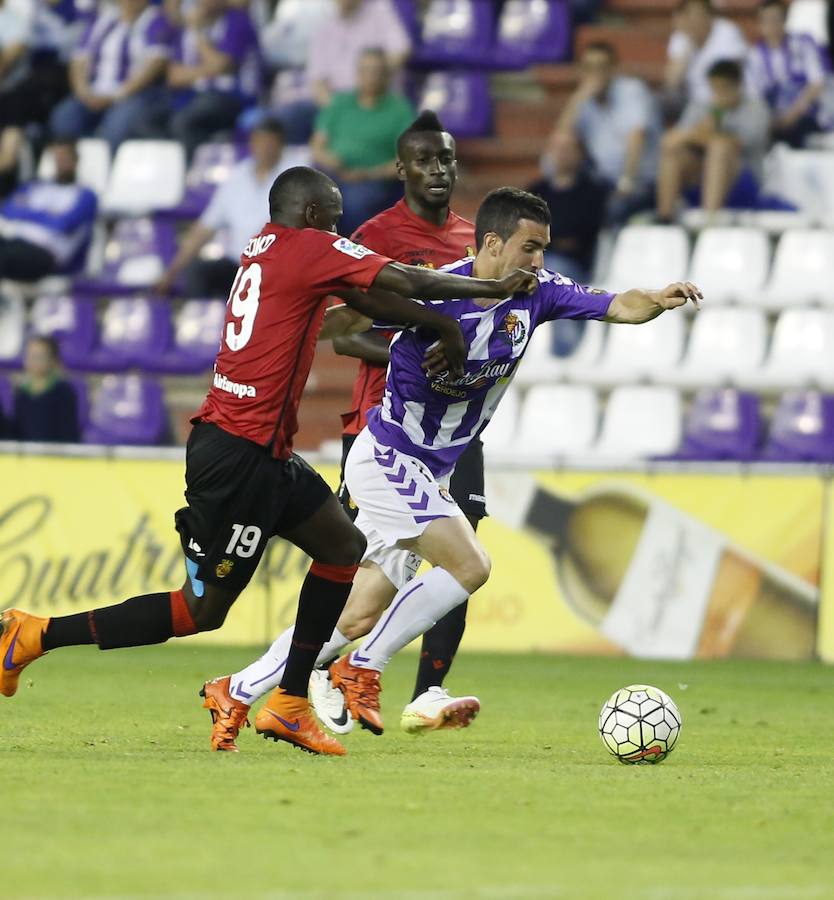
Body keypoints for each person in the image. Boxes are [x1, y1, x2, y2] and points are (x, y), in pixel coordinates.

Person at [0, 166, 539, 759]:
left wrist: (438, 323)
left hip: (268, 454)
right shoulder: (309, 247)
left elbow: (365, 297)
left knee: (342, 548)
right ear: (312, 216)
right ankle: (36, 634)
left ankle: (287, 701)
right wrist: (490, 291)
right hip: (234, 458)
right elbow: (400, 276)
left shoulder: (269, 248)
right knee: (197, 612)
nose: (342, 231)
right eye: (334, 219)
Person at [203, 187, 702, 746]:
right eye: (530, 248)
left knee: (353, 616)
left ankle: (237, 688)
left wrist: (658, 298)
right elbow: (345, 327)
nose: (539, 261)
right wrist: (402, 339)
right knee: (470, 566)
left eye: (544, 249)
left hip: (427, 471)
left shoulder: (540, 294)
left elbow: (616, 305)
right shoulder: (438, 296)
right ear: (492, 242)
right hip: (390, 458)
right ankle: (362, 669)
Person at [215, 110, 484, 741]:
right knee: (445, 564)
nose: (438, 170)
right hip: (385, 429)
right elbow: (341, 329)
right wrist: (420, 343)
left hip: (448, 435)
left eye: (447, 159)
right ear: (402, 168)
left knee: (370, 599)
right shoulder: (372, 235)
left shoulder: (475, 240)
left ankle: (252, 686)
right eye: (425, 160)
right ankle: (348, 675)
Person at [156, 119, 307, 297]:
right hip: (239, 263)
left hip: (277, 265)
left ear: (281, 144)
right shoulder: (238, 176)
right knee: (198, 272)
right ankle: (208, 320)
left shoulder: (297, 175)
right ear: (252, 143)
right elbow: (205, 227)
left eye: (270, 143)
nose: (265, 148)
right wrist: (172, 271)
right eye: (260, 141)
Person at [275, 0, 411, 144]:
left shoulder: (379, 11)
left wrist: (374, 76)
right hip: (337, 104)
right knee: (287, 117)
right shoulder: (325, 26)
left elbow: (401, 51)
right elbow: (317, 82)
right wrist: (339, 110)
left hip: (376, 101)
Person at [312, 47, 414, 236]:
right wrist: (329, 159)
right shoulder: (339, 103)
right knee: (304, 199)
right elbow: (317, 146)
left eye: (377, 71)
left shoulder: (400, 110)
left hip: (373, 180)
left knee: (353, 203)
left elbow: (406, 161)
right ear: (357, 74)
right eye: (366, 70)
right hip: (331, 174)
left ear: (387, 76)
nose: (371, 77)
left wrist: (366, 173)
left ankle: (350, 254)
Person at [556, 41, 660, 224]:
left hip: (641, 182)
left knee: (613, 208)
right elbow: (561, 140)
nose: (595, 74)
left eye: (601, 67)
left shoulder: (631, 90)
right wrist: (576, 99)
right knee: (557, 201)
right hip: (602, 181)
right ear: (581, 71)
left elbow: (636, 138)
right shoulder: (584, 99)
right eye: (589, 68)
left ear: (613, 69)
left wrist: (626, 182)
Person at [48, 0, 172, 152]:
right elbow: (79, 60)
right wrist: (83, 92)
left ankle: (109, 169)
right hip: (95, 92)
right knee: (64, 116)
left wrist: (117, 95)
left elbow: (156, 64)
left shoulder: (156, 20)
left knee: (117, 125)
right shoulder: (103, 20)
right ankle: (69, 170)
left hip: (133, 94)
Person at [657, 59, 771, 222]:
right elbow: (670, 140)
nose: (719, 94)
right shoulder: (701, 107)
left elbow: (738, 142)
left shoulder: (756, 109)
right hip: (700, 178)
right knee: (673, 156)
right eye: (714, 88)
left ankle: (709, 220)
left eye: (724, 88)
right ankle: (665, 217)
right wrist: (702, 128)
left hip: (743, 178)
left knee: (719, 149)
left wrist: (701, 135)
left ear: (738, 86)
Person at [163, 0, 261, 160]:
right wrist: (208, 69)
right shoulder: (190, 26)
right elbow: (173, 77)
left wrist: (196, 32)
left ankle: (193, 176)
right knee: (151, 121)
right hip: (197, 95)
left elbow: (223, 65)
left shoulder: (238, 21)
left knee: (184, 122)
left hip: (235, 97)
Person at [0, 139, 97, 281]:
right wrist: (47, 214)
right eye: (58, 158)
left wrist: (26, 212)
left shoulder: (85, 195)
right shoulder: (35, 185)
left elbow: (64, 224)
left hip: (46, 253)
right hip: (14, 240)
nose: (61, 163)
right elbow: (7, 210)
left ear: (75, 161)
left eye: (66, 158)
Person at [527, 130, 608, 283]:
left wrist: (547, 240)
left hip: (573, 263)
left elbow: (581, 234)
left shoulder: (593, 192)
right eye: (556, 148)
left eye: (567, 149)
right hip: (536, 257)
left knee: (549, 274)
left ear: (580, 153)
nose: (561, 154)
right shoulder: (536, 190)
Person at [746, 0, 827, 147]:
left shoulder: (803, 44)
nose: (771, 25)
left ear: (784, 20)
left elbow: (817, 83)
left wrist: (792, 115)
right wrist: (771, 121)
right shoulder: (754, 56)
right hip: (771, 120)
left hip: (805, 116)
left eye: (776, 19)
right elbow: (754, 96)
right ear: (760, 24)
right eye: (766, 20)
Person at [665, 0, 747, 108]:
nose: (693, 19)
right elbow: (671, 82)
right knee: (658, 100)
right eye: (689, 14)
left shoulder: (727, 31)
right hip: (692, 100)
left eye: (697, 14)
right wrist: (689, 44)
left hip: (726, 100)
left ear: (709, 15)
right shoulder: (682, 36)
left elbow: (731, 76)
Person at [10, 336, 80, 443]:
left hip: (53, 455)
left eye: (39, 356)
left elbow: (67, 433)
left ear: (53, 360)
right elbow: (16, 431)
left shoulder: (64, 392)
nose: (33, 361)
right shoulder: (21, 393)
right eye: (30, 356)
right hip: (24, 455)